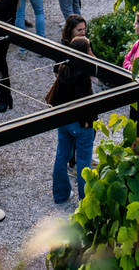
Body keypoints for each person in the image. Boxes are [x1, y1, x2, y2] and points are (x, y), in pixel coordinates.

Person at [51, 35, 99, 206]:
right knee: (84, 163)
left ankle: (60, 194)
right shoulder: (84, 74)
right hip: (81, 124)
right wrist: (88, 123)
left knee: (61, 156)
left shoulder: (65, 68)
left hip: (64, 121)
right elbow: (86, 101)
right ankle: (85, 201)